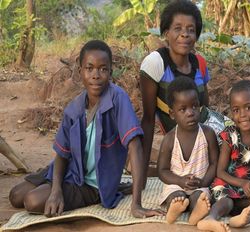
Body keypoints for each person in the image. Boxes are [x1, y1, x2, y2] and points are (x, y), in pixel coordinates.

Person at [8, 40, 163, 218]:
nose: (96, 75)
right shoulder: (75, 108)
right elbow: (62, 153)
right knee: (16, 196)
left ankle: (105, 189)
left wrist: (137, 204)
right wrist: (56, 190)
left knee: (32, 201)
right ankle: (55, 184)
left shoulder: (117, 99)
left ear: (111, 73)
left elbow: (134, 146)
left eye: (103, 69)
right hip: (71, 170)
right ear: (80, 71)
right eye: (89, 68)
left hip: (91, 184)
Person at [139, 0, 228, 186]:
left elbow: (206, 110)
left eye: (190, 29)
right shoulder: (156, 63)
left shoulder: (200, 64)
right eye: (177, 28)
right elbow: (148, 119)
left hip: (206, 134)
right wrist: (140, 175)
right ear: (166, 32)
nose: (184, 35)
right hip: (182, 136)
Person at [197, 80, 250, 232]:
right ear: (231, 112)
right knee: (226, 200)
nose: (243, 115)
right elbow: (220, 172)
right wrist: (241, 183)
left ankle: (244, 218)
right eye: (236, 110)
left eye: (248, 108)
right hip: (229, 182)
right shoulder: (229, 135)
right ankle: (211, 218)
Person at [157, 76, 219, 225]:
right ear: (172, 114)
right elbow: (162, 171)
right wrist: (179, 180)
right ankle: (174, 210)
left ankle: (196, 211)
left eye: (194, 106)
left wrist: (203, 182)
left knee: (201, 197)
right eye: (183, 109)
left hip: (200, 184)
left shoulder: (208, 134)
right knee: (176, 195)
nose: (190, 113)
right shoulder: (170, 139)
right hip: (176, 184)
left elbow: (214, 163)